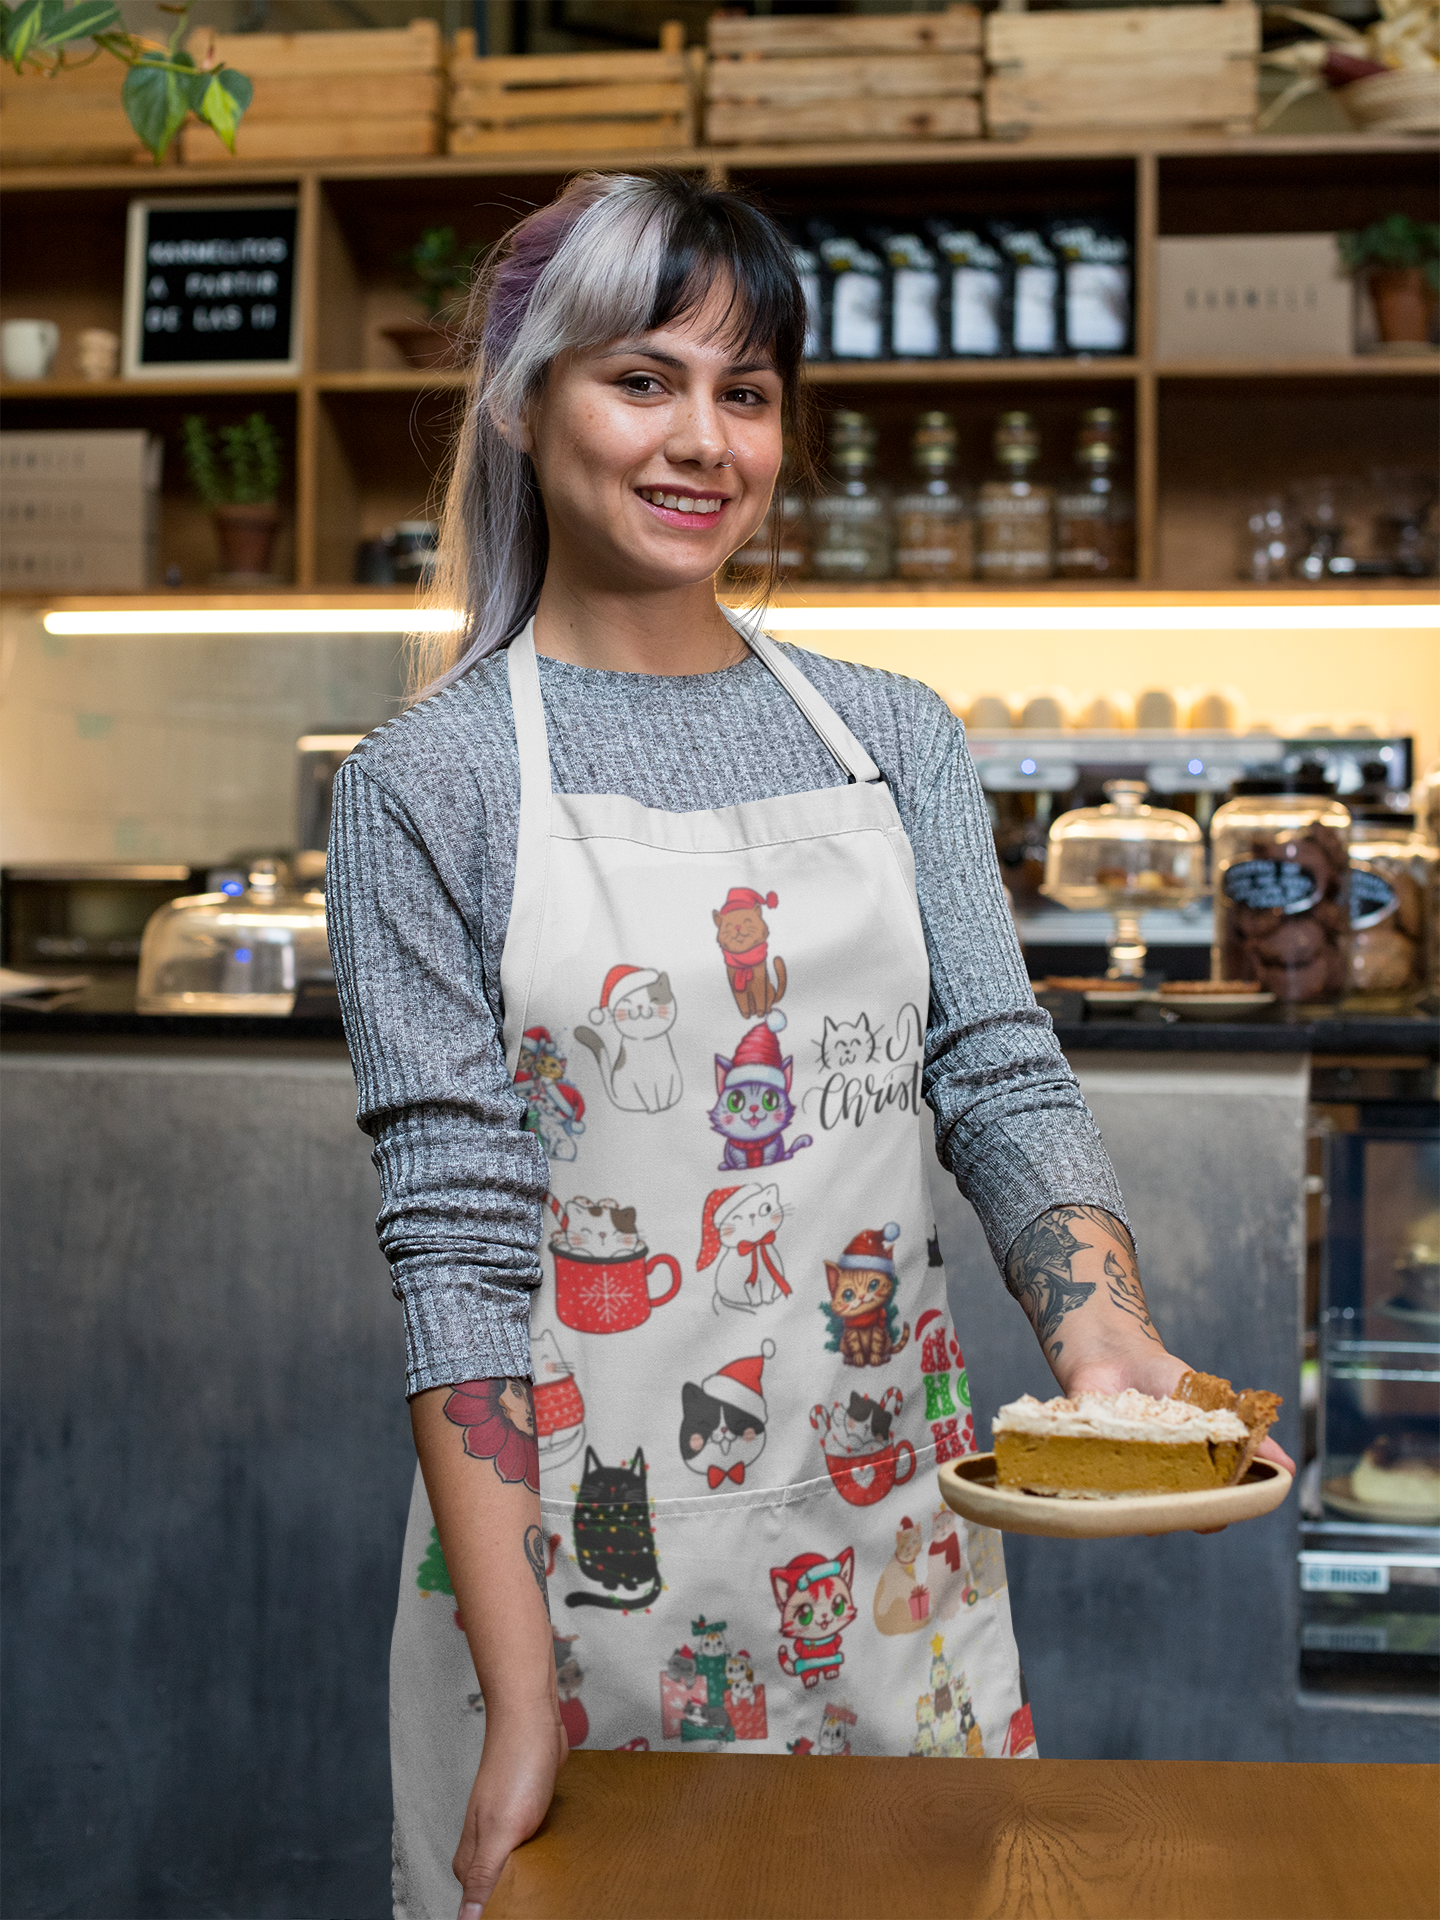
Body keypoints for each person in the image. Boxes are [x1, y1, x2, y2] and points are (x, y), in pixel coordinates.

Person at [327, 171, 1291, 1920]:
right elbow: (455, 1245)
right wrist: (522, 1693)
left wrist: (1110, 1353)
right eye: (644, 379)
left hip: (887, 1550)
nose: (704, 440)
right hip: (569, 1587)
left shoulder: (892, 737)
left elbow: (995, 1067)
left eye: (747, 391)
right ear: (529, 399)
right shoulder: (431, 783)